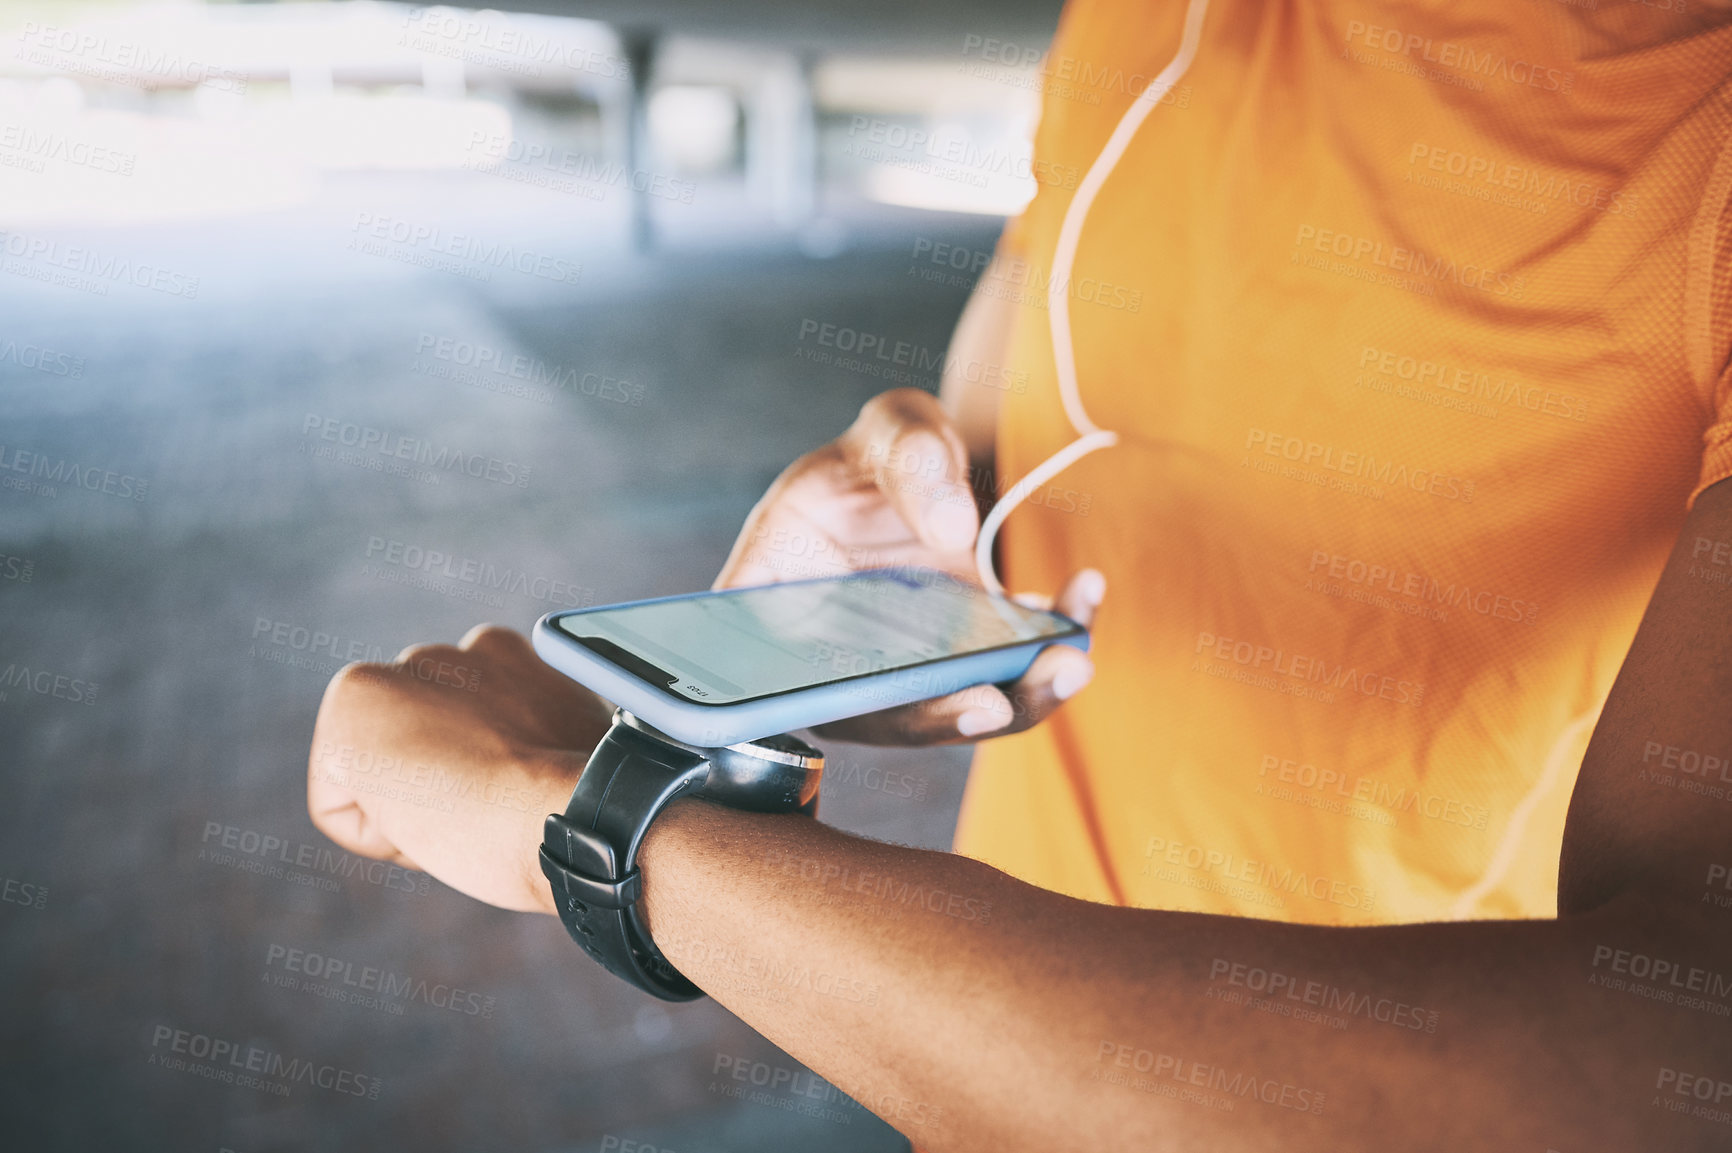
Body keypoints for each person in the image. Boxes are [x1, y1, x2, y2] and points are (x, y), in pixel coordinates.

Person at [306, 1, 1732, 1147]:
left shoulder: (1687, 96)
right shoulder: (1136, 23)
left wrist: (596, 829)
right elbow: (995, 475)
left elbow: (1686, 1042)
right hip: (949, 1039)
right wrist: (855, 598)